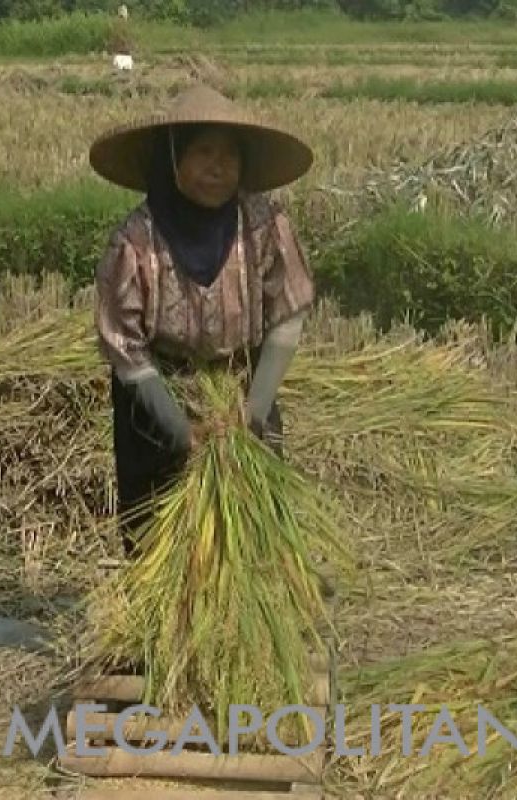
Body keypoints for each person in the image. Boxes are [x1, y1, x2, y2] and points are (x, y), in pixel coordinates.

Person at [88, 84, 316, 558]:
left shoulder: (264, 224)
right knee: (159, 537)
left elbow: (288, 313)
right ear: (173, 159)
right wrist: (178, 428)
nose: (219, 167)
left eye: (231, 155)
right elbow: (125, 348)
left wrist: (253, 409)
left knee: (257, 527)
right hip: (157, 399)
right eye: (204, 152)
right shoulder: (134, 241)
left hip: (242, 385)